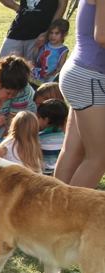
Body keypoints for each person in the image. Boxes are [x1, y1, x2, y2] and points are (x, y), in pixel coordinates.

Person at [54, 0, 105, 189]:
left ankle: (52, 204)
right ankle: (72, 208)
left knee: (73, 150)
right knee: (99, 157)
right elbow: (101, 35)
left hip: (82, 74)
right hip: (90, 77)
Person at [0, 0, 67, 61]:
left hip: (40, 36)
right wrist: (17, 7)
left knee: (34, 69)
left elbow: (62, 4)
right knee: (5, 67)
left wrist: (49, 32)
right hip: (17, 32)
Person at [31, 18, 71, 84]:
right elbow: (35, 58)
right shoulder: (45, 45)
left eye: (56, 33)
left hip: (50, 77)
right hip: (37, 73)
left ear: (64, 34)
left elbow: (60, 67)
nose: (53, 36)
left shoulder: (63, 50)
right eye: (51, 33)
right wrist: (37, 47)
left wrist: (51, 75)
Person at [37, 97, 68, 175]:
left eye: (39, 117)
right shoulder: (67, 137)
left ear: (46, 120)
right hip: (63, 172)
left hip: (44, 173)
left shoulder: (39, 138)